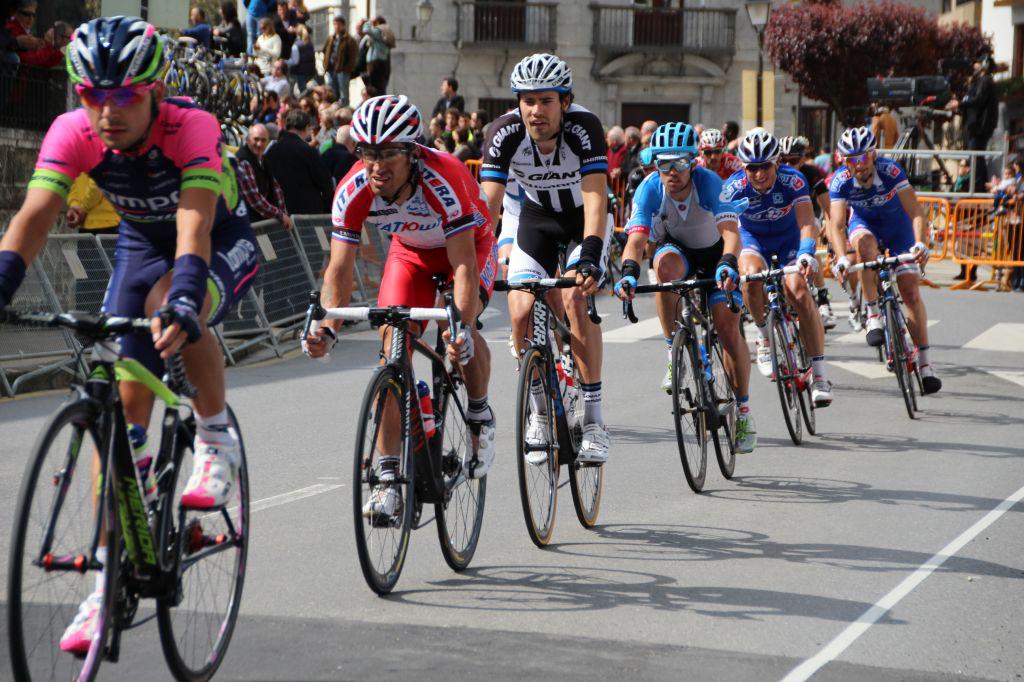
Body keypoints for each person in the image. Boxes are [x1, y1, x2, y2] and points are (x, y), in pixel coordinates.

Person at [0, 16, 258, 653]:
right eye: (92, 95)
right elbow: (35, 216)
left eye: (123, 97)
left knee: (173, 304)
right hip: (139, 243)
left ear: (156, 92)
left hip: (218, 238)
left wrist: (188, 297)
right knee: (120, 415)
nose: (106, 112)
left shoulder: (192, 126)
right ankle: (104, 581)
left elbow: (195, 224)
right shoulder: (72, 131)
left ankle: (215, 435)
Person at [305, 95, 498, 513]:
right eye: (368, 153)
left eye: (389, 153)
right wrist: (327, 327)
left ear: (412, 153)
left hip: (468, 249)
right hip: (410, 254)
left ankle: (480, 414)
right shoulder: (353, 188)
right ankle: (389, 475)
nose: (377, 165)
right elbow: (339, 270)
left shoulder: (444, 177)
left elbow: (464, 264)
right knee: (392, 349)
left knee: (457, 332)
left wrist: (461, 326)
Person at [480, 53, 611, 464]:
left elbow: (596, 198)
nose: (536, 110)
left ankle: (594, 420)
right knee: (519, 310)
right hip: (536, 220)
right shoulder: (503, 133)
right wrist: (475, 263)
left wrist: (591, 256)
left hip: (582, 221)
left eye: (546, 101)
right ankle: (539, 413)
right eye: (528, 101)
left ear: (565, 102)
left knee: (574, 298)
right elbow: (487, 208)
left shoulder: (585, 127)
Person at [613, 123, 756, 453]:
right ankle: (672, 352)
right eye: (664, 163)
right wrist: (629, 273)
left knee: (727, 330)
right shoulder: (650, 188)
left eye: (680, 163)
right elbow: (636, 241)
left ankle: (744, 411)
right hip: (678, 252)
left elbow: (731, 234)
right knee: (662, 269)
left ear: (693, 161)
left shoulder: (709, 183)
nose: (672, 171)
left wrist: (728, 263)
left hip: (715, 253)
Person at [721, 129, 834, 406]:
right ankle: (763, 337)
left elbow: (807, 222)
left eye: (765, 166)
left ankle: (819, 375)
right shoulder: (733, 188)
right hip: (753, 239)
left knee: (798, 291)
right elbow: (727, 231)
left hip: (789, 239)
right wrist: (726, 262)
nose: (759, 174)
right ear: (743, 167)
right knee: (750, 278)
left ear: (777, 163)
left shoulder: (793, 180)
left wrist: (806, 253)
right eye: (752, 168)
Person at [827, 126, 941, 394]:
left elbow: (916, 211)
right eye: (852, 159)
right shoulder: (840, 181)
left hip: (898, 227)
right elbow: (836, 225)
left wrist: (920, 243)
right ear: (844, 161)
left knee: (910, 292)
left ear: (873, 154)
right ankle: (873, 314)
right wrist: (841, 258)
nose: (859, 164)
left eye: (864, 157)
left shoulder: (890, 171)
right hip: (865, 224)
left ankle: (925, 363)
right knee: (866, 250)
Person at [779, 135, 836, 329]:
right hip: (784, 221)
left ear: (803, 159)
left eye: (793, 160)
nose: (788, 165)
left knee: (810, 248)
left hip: (809, 216)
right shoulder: (773, 173)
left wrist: (830, 229)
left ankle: (822, 298)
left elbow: (828, 207)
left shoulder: (812, 173)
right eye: (783, 160)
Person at [264, 109, 334, 214]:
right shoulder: (308, 151)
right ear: (306, 127)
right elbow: (326, 184)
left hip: (281, 213)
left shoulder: (271, 152)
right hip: (308, 214)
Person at [947, 54, 998, 193]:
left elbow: (979, 100)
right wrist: (959, 106)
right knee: (975, 156)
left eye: (977, 63)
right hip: (975, 126)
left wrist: (960, 104)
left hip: (980, 127)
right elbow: (971, 102)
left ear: (984, 65)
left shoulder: (986, 81)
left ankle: (978, 187)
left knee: (976, 156)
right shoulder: (977, 82)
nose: (974, 66)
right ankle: (978, 185)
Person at [237, 123, 292, 227]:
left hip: (261, 222)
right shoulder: (244, 161)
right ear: (248, 139)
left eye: (263, 140)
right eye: (256, 139)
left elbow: (276, 189)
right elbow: (254, 199)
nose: (259, 144)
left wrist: (283, 213)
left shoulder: (263, 159)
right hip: (249, 224)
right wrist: (280, 215)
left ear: (268, 142)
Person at [322, 12, 357, 107]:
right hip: (331, 69)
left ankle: (344, 110)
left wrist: (347, 69)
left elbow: (353, 57)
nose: (337, 27)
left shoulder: (349, 39)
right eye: (335, 24)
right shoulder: (331, 38)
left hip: (342, 70)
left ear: (343, 25)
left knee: (343, 93)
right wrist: (325, 64)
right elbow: (325, 51)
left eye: (339, 24)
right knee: (331, 92)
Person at [359, 15, 392, 95]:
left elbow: (366, 30)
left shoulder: (379, 31)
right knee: (378, 86)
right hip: (381, 62)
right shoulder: (386, 31)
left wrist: (368, 22)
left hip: (375, 62)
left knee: (375, 86)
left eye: (374, 22)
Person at [285, 23, 315, 94]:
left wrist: (285, 61)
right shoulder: (310, 43)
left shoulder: (296, 45)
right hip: (310, 71)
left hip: (300, 72)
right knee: (309, 92)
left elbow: (295, 61)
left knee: (303, 92)